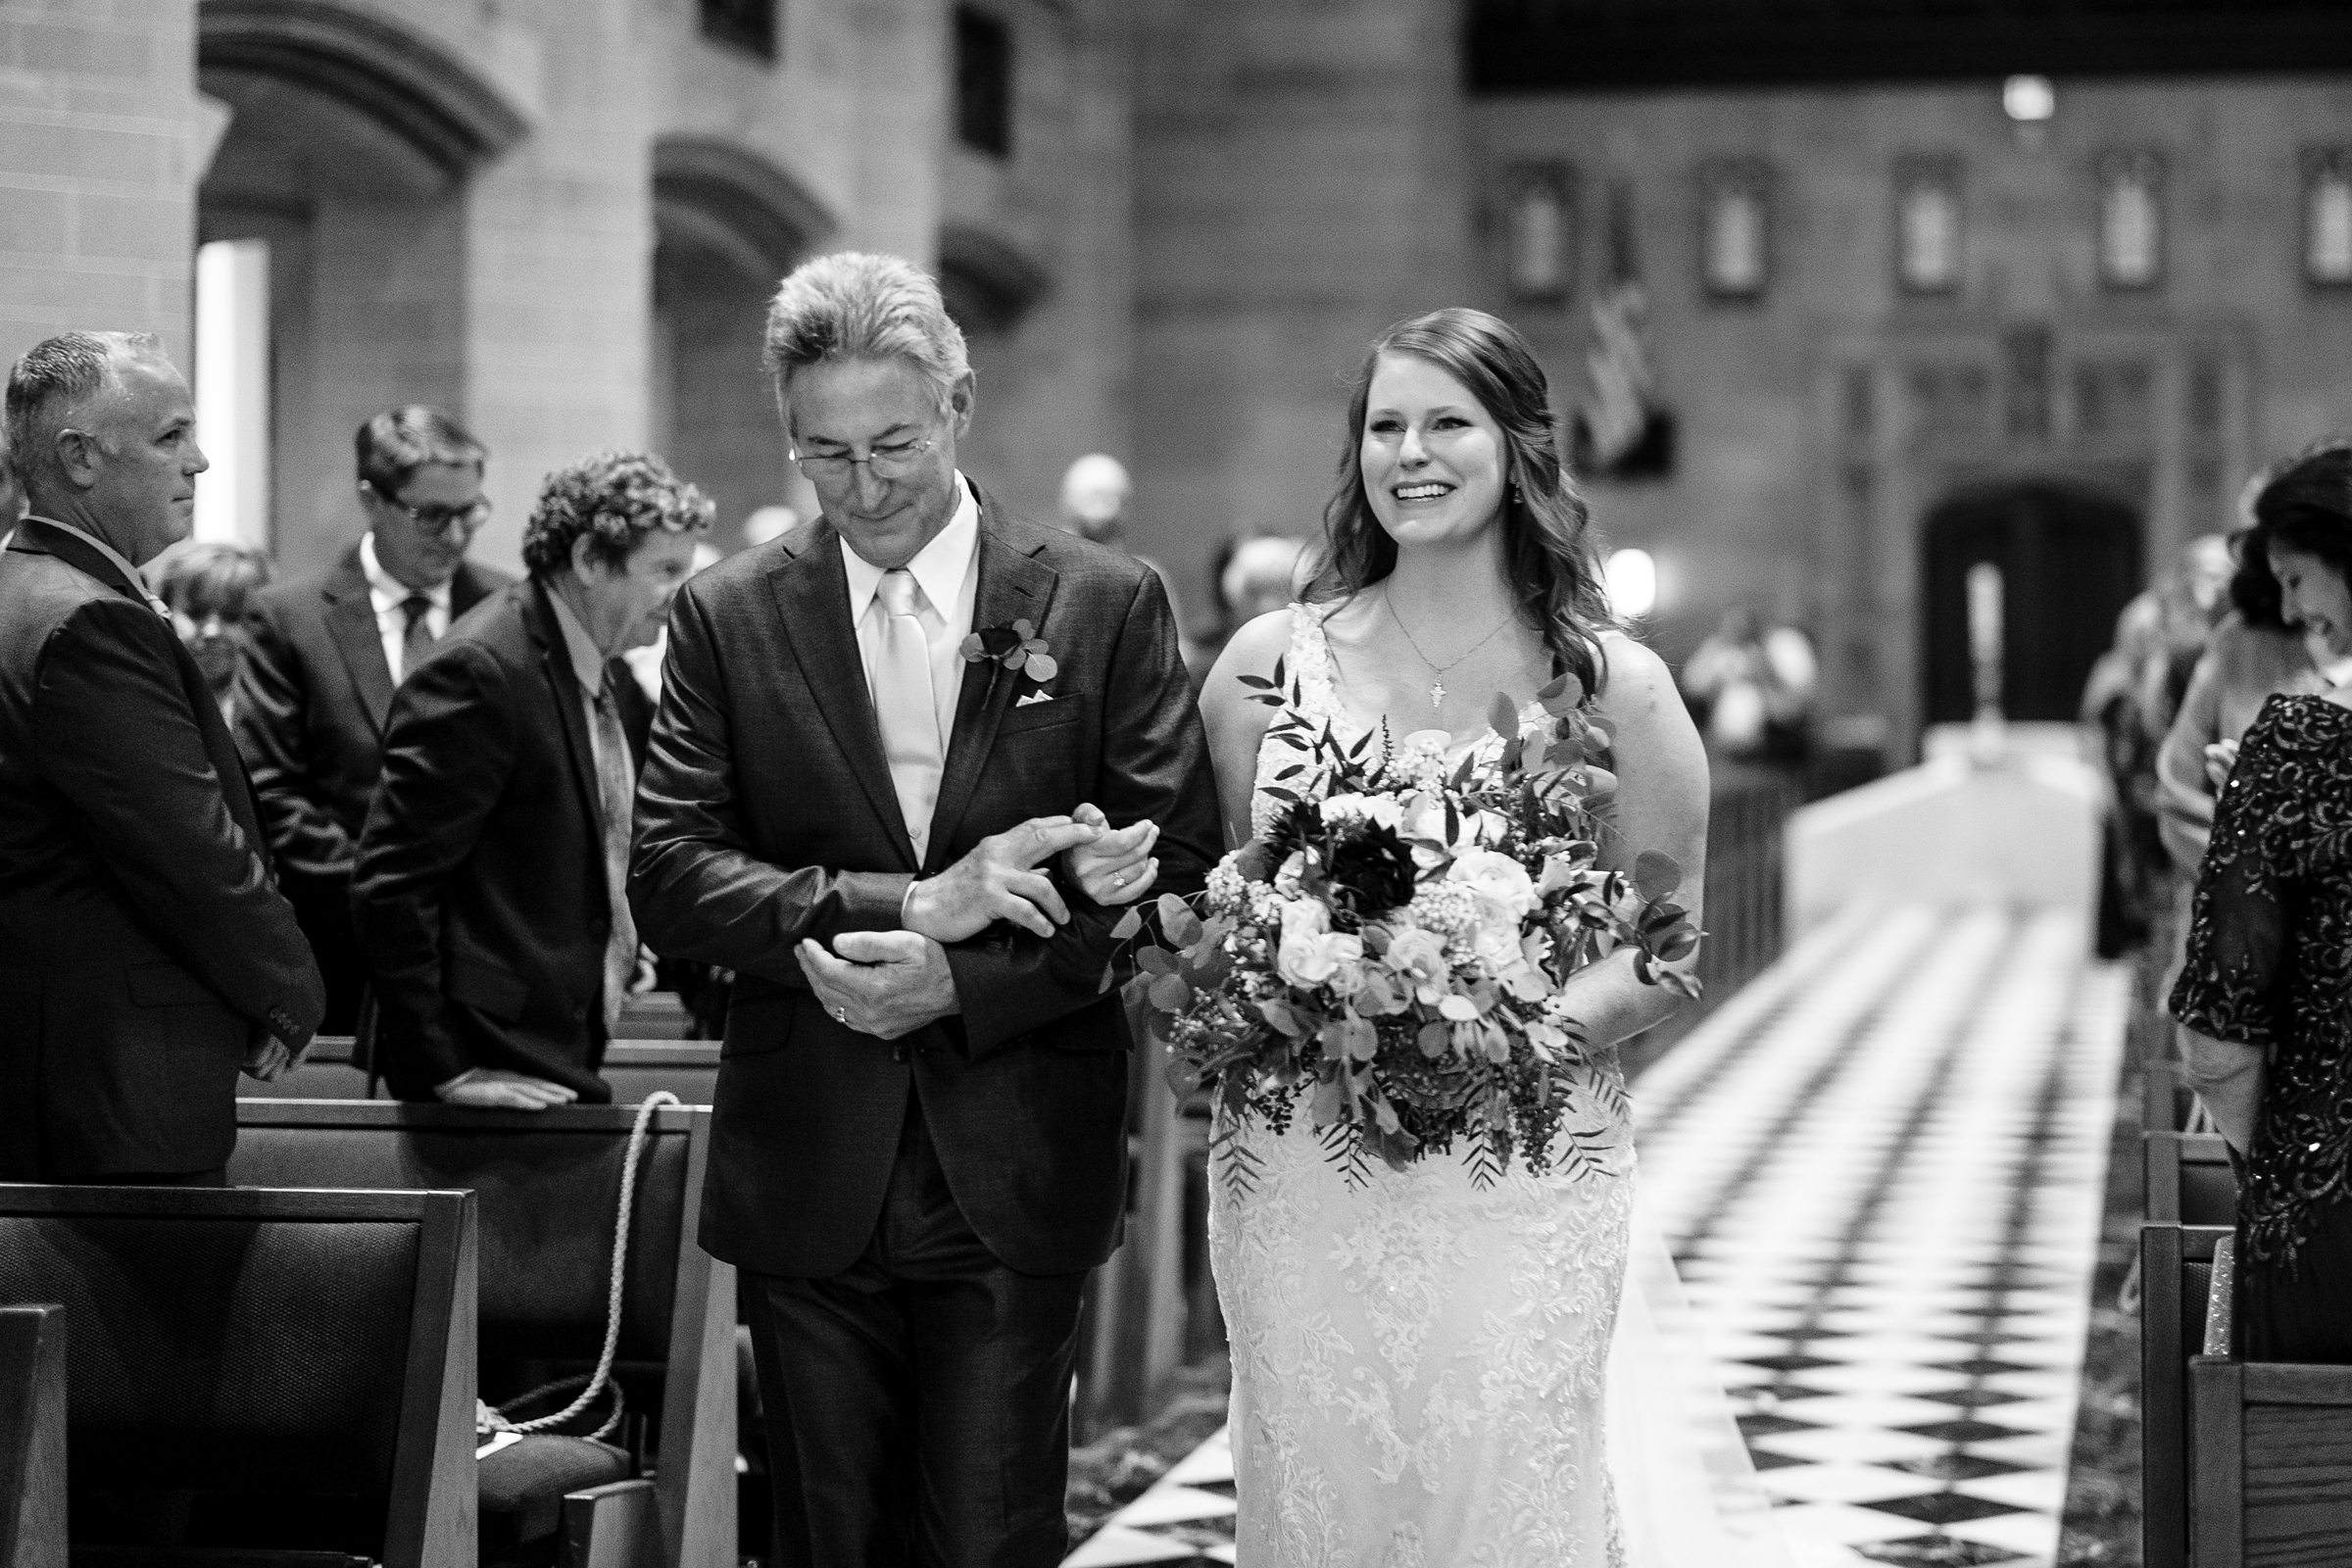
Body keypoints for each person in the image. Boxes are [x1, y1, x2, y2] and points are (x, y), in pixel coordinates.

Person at [629, 251, 1220, 1567]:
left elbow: (1174, 859)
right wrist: (912, 903)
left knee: (989, 1535)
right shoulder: (729, 612)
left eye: (893, 441)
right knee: (829, 1540)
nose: (865, 485)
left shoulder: (1100, 600)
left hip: (1012, 1140)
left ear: (957, 405)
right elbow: (668, 867)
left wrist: (963, 979)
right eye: (823, 455)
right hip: (808, 1156)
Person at [1186, 308, 1717, 1559]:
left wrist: (1513, 1033)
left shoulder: (1612, 683)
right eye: (1384, 426)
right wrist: (1289, 981)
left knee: (1503, 1481)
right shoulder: (1267, 665)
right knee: (1318, 1478)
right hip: (1306, 1156)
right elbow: (1232, 903)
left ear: (1520, 446)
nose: (1408, 453)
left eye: (1445, 423)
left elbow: (1665, 944)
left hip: (1521, 1162)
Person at [0, 330, 322, 1182]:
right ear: (79, 458)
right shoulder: (87, 619)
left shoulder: (30, 590)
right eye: (171, 436)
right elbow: (188, 845)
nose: (201, 461)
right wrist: (288, 988)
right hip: (109, 1076)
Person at [354, 452, 710, 1109]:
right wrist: (447, 1069)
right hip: (483, 1058)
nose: (680, 596)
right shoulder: (479, 669)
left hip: (553, 1039)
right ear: (589, 560)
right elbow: (393, 886)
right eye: (664, 571)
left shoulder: (610, 675)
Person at [234, 407, 513, 1035]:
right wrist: (391, 902)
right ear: (372, 498)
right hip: (343, 957)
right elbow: (271, 794)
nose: (455, 536)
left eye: (470, 512)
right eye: (431, 515)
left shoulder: (506, 609)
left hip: (487, 963)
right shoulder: (290, 619)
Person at [2170, 442, 2352, 1361]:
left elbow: (2214, 1049)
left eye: (2297, 577)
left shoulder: (2301, 746)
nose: (2290, 610)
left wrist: (2282, 1159)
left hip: (2331, 1218)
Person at [151, 540, 272, 721]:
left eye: (232, 616)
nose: (212, 631)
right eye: (196, 613)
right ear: (165, 611)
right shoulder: (148, 703)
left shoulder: (280, 715)